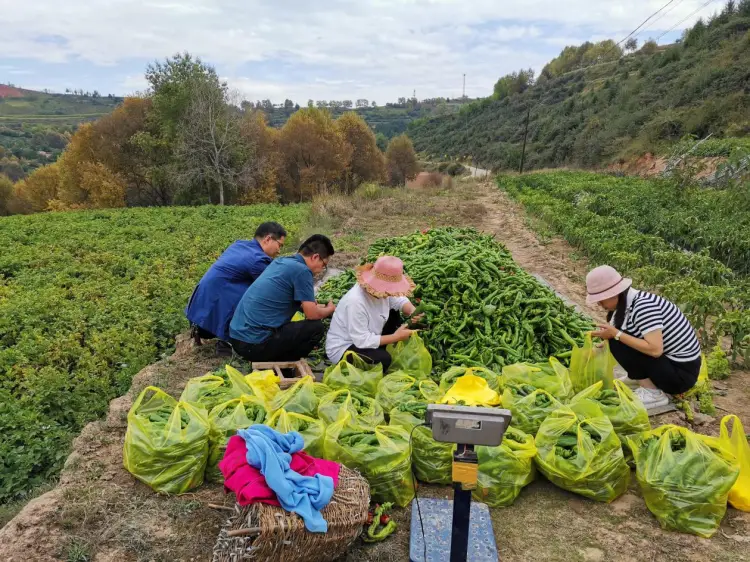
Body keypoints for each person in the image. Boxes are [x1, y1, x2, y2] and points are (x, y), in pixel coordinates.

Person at [586, 265, 701, 409]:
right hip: (669, 366)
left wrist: (615, 334)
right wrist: (597, 347)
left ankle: (653, 393)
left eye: (601, 299)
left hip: (680, 376)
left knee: (618, 340)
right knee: (617, 338)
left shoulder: (643, 306)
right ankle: (642, 380)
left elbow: (655, 350)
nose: (599, 304)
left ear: (614, 293)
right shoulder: (627, 304)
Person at [229, 234, 336, 362]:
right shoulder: (303, 271)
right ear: (315, 257)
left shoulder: (282, 262)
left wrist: (312, 305)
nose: (322, 269)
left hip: (237, 337)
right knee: (315, 328)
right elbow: (311, 314)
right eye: (324, 265)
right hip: (254, 344)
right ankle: (286, 364)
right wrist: (330, 309)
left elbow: (293, 302)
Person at [185, 222, 287, 344]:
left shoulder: (240, 245)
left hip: (197, 315)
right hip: (210, 323)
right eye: (279, 245)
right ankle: (229, 341)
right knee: (263, 297)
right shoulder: (257, 260)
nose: (279, 251)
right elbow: (278, 289)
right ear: (268, 239)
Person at [326, 256, 420, 371]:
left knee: (394, 313)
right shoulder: (356, 302)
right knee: (384, 360)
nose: (390, 292)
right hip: (346, 347)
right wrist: (396, 337)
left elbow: (399, 300)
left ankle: (381, 347)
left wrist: (412, 311)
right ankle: (378, 352)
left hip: (370, 334)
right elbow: (362, 340)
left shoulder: (382, 291)